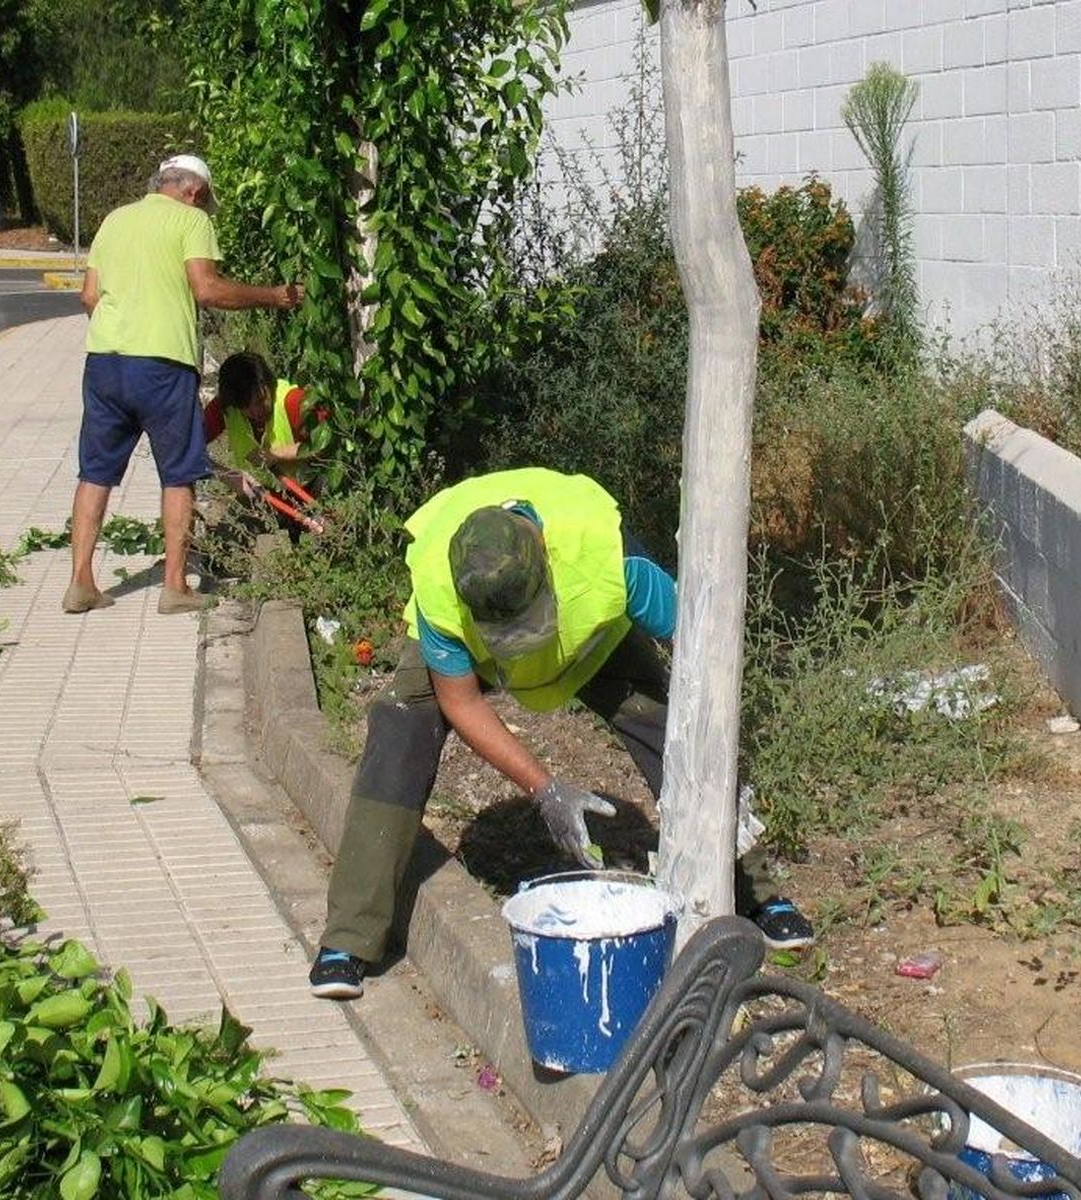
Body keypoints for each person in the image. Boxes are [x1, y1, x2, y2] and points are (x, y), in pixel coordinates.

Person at [307, 467, 814, 1000]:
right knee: (399, 728)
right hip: (480, 658)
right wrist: (545, 789)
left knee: (671, 721)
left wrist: (723, 750)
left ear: (545, 558)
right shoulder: (440, 582)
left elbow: (701, 651)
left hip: (591, 642)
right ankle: (349, 938)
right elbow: (462, 701)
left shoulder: (610, 559)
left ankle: (754, 888)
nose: (521, 640)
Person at [65, 154, 303, 615]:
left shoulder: (114, 220)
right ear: (194, 192)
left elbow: (89, 297)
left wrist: (123, 329)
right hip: (162, 366)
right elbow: (207, 289)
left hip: (104, 362)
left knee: (94, 472)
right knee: (178, 475)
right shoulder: (190, 220)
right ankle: (175, 586)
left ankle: (81, 583)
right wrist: (273, 297)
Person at [202, 351, 321, 498]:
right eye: (246, 407)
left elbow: (328, 444)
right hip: (262, 499)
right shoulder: (225, 407)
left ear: (269, 384)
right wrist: (227, 475)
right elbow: (184, 448)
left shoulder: (294, 401)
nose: (256, 411)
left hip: (314, 493)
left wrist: (274, 455)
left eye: (260, 400)